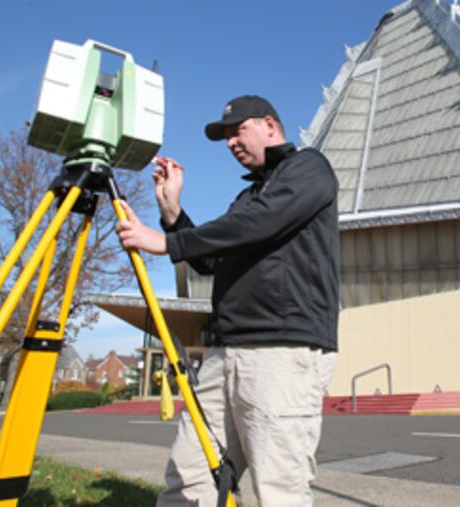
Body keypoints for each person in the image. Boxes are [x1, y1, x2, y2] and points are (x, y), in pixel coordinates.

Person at [116, 95, 340, 507]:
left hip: (281, 352)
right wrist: (173, 213)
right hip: (225, 353)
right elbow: (210, 260)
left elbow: (262, 222)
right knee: (190, 475)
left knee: (279, 489)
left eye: (238, 130)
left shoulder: (308, 168)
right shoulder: (246, 198)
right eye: (225, 137)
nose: (231, 143)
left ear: (270, 126)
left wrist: (167, 242)